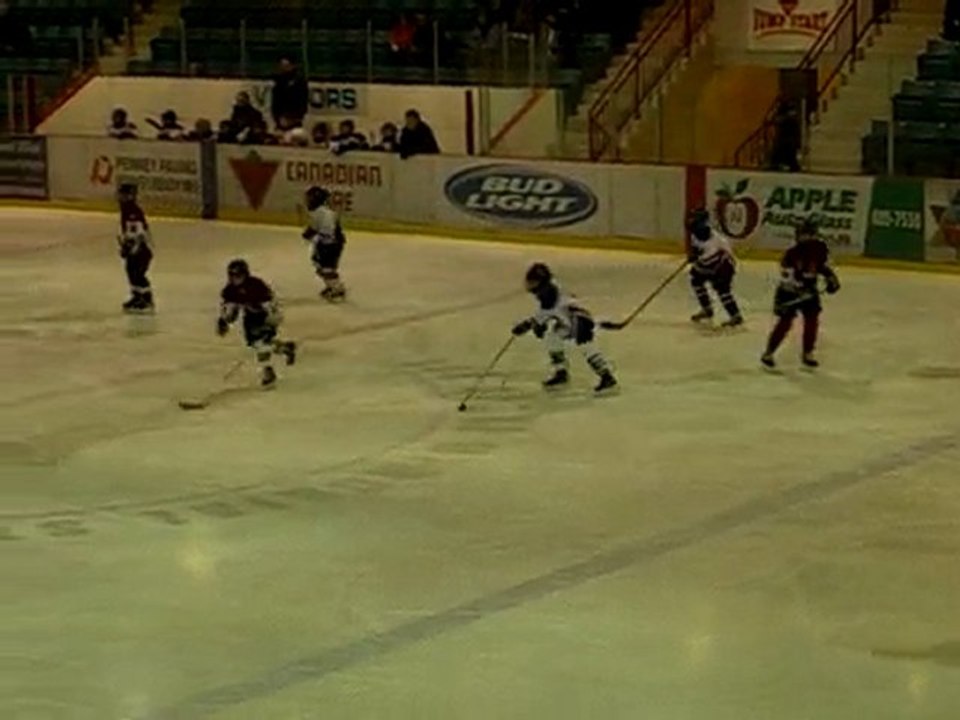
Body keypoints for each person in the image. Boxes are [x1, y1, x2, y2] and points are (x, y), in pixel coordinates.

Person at [512, 263, 617, 393]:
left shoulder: (549, 295)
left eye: (534, 282)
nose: (531, 286)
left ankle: (606, 376)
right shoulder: (549, 290)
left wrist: (529, 324)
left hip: (579, 321)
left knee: (586, 347)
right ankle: (561, 372)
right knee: (553, 338)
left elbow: (547, 312)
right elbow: (549, 313)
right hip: (568, 321)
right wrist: (535, 324)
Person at [761, 218, 841, 370]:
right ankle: (769, 352)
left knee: (812, 320)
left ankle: (808, 352)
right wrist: (799, 288)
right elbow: (787, 277)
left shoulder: (820, 248)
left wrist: (831, 279)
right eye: (803, 234)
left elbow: (824, 266)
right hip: (789, 292)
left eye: (809, 234)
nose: (806, 237)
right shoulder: (791, 254)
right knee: (785, 322)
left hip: (809, 290)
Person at [217, 259, 297, 388]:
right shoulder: (229, 290)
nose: (235, 279)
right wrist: (224, 321)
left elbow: (271, 304)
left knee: (261, 344)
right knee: (257, 344)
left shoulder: (256, 286)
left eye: (238, 276)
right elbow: (231, 308)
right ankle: (285, 348)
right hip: (251, 319)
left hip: (266, 316)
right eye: (232, 276)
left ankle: (268, 373)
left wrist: (271, 319)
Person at [686, 208, 743, 327]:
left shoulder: (718, 241)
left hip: (722, 267)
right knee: (696, 280)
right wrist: (694, 255)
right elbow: (697, 249)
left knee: (722, 290)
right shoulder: (694, 235)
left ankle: (735, 315)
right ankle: (707, 308)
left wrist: (697, 257)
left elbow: (721, 257)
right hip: (707, 265)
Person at [302, 186, 347, 302]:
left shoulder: (323, 213)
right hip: (327, 243)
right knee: (320, 265)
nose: (307, 201)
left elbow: (327, 231)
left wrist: (310, 234)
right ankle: (331, 286)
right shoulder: (319, 212)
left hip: (330, 244)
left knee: (327, 268)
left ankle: (337, 289)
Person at [116, 183, 154, 313]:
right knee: (131, 271)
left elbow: (139, 233)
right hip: (136, 248)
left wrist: (132, 248)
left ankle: (146, 299)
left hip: (141, 250)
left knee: (138, 274)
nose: (120, 197)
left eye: (123, 194)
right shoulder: (126, 210)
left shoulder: (133, 211)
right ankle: (137, 296)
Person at [270, 57, 308, 130]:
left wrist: (295, 117)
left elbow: (302, 101)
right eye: (282, 66)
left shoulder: (299, 81)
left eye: (286, 66)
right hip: (280, 118)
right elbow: (275, 101)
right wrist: (278, 118)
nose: (283, 68)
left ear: (292, 66)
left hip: (294, 117)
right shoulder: (279, 81)